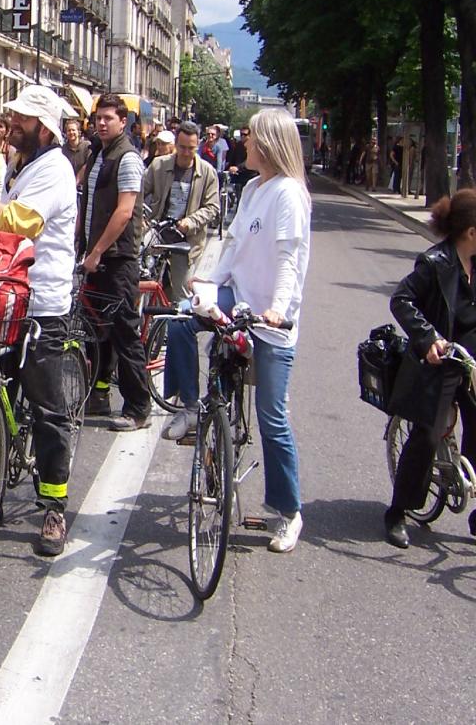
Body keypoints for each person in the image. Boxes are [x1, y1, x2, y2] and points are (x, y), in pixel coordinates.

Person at [163, 108, 311, 552]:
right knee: (183, 320)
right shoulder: (250, 189)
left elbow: (287, 261)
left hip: (271, 317)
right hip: (237, 295)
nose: (244, 142)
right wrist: (210, 285)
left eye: (251, 136)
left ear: (268, 144)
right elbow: (233, 249)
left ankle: (288, 511)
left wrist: (278, 311)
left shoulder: (288, 194)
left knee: (272, 417)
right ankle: (189, 407)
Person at [0, 84, 78, 556]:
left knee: (48, 407)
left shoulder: (55, 169)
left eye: (22, 119)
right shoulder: (22, 164)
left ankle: (53, 507)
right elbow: (4, 233)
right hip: (7, 295)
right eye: (13, 116)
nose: (12, 123)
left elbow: (17, 223)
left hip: (41, 304)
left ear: (44, 128)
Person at [386, 189, 476, 548]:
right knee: (426, 434)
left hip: (471, 367)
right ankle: (397, 512)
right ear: (470, 232)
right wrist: (429, 340)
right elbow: (401, 300)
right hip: (439, 365)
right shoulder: (435, 262)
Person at [79, 93, 151, 431]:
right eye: (99, 118)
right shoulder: (97, 154)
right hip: (94, 257)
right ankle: (98, 395)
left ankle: (138, 408)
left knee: (124, 333)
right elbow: (87, 202)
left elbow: (124, 213)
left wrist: (97, 252)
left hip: (117, 259)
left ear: (124, 122)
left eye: (109, 118)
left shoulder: (128, 158)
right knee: (96, 333)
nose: (102, 123)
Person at [142, 122, 221, 297]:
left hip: (187, 240)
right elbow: (138, 193)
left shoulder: (208, 173)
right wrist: (140, 217)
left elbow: (213, 207)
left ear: (198, 145)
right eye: (182, 147)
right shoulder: (158, 165)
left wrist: (191, 222)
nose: (185, 153)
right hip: (158, 230)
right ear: (175, 145)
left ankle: (175, 320)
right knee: (139, 275)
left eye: (191, 148)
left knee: (181, 292)